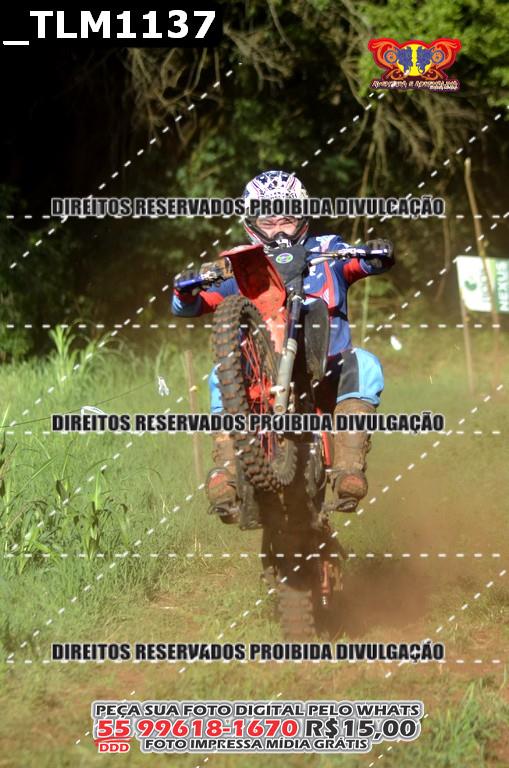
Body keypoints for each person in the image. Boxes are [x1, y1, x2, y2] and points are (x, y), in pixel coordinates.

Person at [172, 169, 394, 520]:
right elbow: (191, 306)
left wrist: (376, 253)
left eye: (287, 219)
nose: (278, 229)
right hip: (261, 377)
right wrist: (185, 288)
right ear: (252, 221)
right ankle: (226, 471)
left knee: (364, 363)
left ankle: (349, 468)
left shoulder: (328, 250)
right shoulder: (241, 266)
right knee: (219, 374)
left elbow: (365, 263)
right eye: (268, 219)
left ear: (302, 217)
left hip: (327, 370)